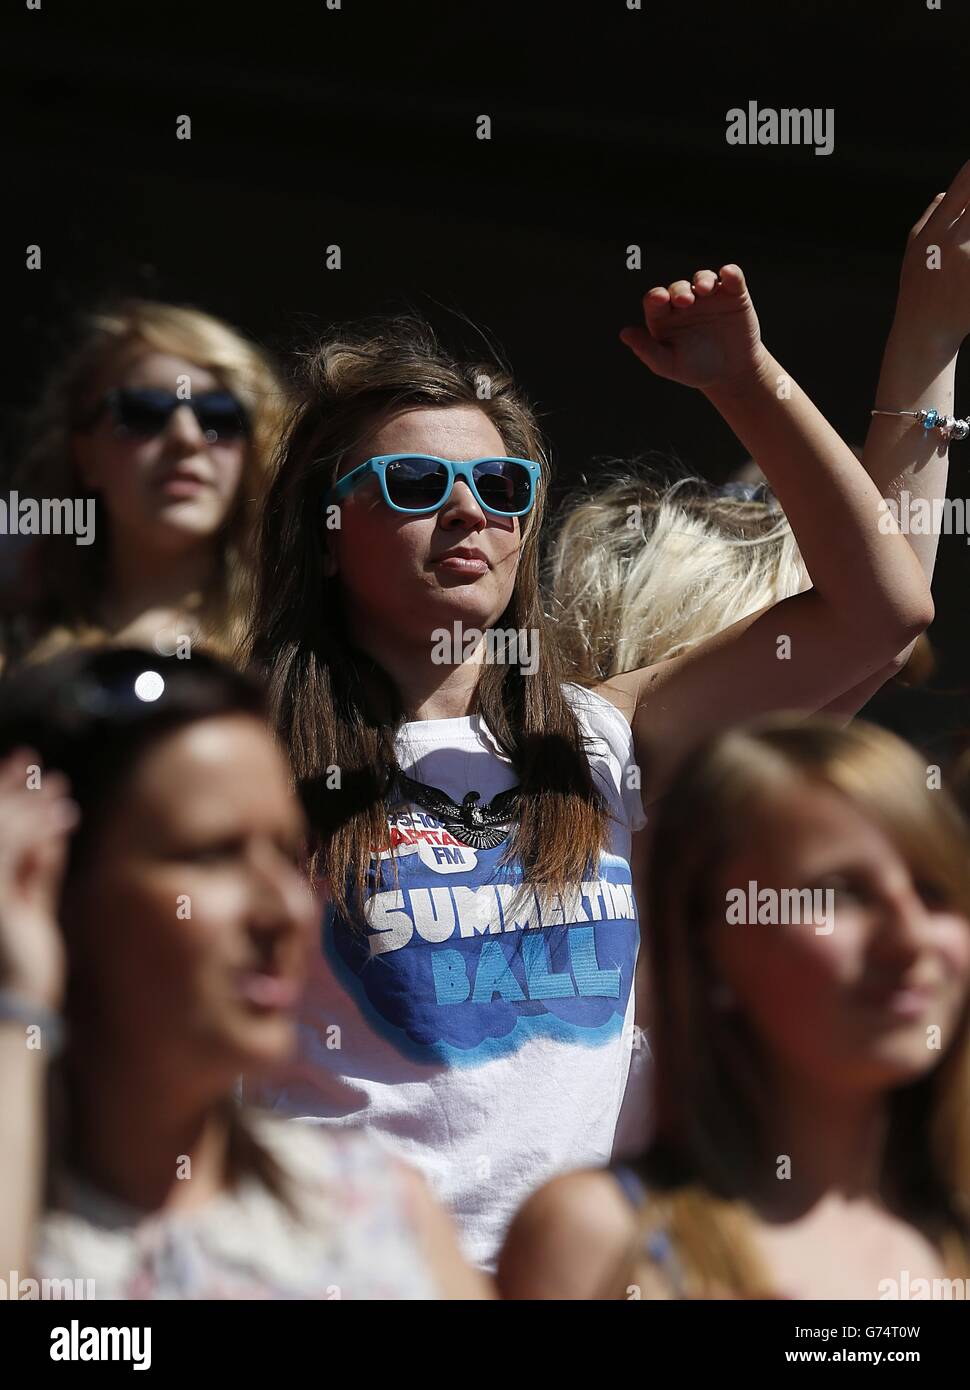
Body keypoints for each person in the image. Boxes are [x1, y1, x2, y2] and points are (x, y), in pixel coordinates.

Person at [243, 203, 942, 1268]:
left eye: (501, 487)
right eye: (415, 485)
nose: (470, 513)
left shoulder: (605, 736)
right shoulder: (238, 759)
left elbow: (881, 611)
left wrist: (743, 384)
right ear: (328, 535)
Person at [0, 647, 487, 1299]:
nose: (285, 908)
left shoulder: (377, 1210)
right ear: (44, 886)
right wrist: (17, 1007)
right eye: (213, 855)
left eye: (286, 854)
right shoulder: (29, 1236)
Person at [498, 716, 970, 1299]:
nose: (911, 937)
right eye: (841, 893)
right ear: (709, 944)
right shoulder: (599, 1239)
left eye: (936, 891)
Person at [1, 300, 288, 672]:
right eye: (143, 412)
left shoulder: (298, 649)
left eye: (220, 416)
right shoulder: (16, 652)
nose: (186, 438)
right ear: (85, 456)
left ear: (254, 451)